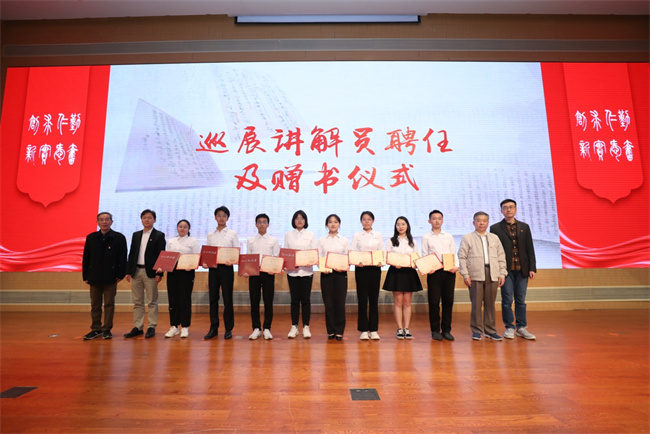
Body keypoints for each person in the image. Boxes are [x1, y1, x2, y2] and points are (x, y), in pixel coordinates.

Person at [490, 199, 537, 340]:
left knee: (520, 300)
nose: (508, 210)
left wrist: (532, 268)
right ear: (501, 211)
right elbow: (494, 251)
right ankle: (509, 327)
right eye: (505, 208)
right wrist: (498, 270)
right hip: (506, 270)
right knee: (507, 299)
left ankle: (521, 327)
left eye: (511, 207)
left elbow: (530, 248)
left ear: (515, 209)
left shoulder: (524, 227)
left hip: (522, 269)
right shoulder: (495, 228)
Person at [458, 211, 507, 341]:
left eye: (484, 221)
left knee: (490, 304)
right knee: (476, 303)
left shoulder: (494, 238)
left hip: (492, 273)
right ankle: (476, 330)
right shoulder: (467, 238)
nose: (481, 223)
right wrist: (465, 275)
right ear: (474, 223)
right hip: (475, 273)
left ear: (488, 223)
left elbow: (501, 256)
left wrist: (502, 273)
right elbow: (462, 257)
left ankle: (490, 330)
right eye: (479, 220)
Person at [82, 212, 128, 340]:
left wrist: (121, 274)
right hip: (94, 276)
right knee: (95, 305)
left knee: (109, 304)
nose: (104, 222)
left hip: (111, 277)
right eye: (101, 220)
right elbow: (86, 257)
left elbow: (123, 258)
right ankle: (95, 329)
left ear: (111, 222)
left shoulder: (119, 237)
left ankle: (107, 329)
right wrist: (85, 275)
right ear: (97, 222)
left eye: (107, 219)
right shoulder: (91, 237)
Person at [124, 209, 166, 339]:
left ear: (154, 220)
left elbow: (162, 254)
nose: (146, 220)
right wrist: (128, 271)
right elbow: (132, 254)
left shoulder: (159, 235)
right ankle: (138, 327)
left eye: (149, 218)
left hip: (151, 272)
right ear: (141, 220)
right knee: (137, 302)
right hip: (136, 271)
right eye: (144, 218)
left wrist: (160, 273)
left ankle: (151, 326)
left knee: (152, 301)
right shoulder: (136, 235)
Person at [421, 210, 459, 341]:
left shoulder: (448, 236)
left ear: (442, 221)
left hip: (449, 271)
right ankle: (435, 330)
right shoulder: (426, 237)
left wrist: (456, 266)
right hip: (434, 272)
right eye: (434, 218)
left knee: (448, 301)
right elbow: (424, 254)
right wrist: (427, 268)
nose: (437, 221)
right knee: (434, 302)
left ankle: (446, 330)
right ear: (429, 221)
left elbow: (453, 252)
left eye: (439, 218)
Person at [382, 216, 423, 340]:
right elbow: (386, 257)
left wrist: (414, 263)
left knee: (407, 301)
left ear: (407, 226)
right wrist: (394, 263)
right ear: (395, 226)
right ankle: (399, 328)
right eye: (398, 224)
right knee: (398, 301)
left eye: (403, 224)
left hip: (409, 272)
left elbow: (416, 258)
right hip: (396, 272)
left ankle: (407, 328)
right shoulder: (391, 241)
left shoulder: (412, 241)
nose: (400, 226)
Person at [205, 206, 240, 340]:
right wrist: (205, 262)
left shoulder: (232, 234)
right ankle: (213, 328)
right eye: (219, 215)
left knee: (227, 299)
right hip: (213, 269)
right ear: (215, 217)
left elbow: (236, 251)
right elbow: (208, 253)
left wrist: (232, 260)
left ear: (227, 218)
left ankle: (228, 329)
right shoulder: (210, 234)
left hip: (227, 269)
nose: (221, 218)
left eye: (224, 216)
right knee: (213, 299)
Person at [245, 213, 280, 340]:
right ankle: (256, 328)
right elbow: (248, 258)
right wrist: (246, 270)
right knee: (254, 302)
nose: (262, 224)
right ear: (256, 224)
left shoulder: (273, 240)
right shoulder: (250, 240)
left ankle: (266, 328)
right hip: (254, 274)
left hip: (268, 274)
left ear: (268, 224)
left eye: (264, 222)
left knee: (268, 302)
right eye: (259, 222)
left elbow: (276, 257)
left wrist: (273, 269)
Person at [283, 210, 317, 339]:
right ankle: (294, 326)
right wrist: (285, 264)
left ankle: (306, 327)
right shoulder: (288, 235)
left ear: (305, 221)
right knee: (294, 301)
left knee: (306, 301)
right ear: (293, 221)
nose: (299, 220)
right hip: (292, 273)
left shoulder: (311, 235)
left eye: (302, 218)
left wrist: (311, 261)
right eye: (297, 218)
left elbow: (314, 253)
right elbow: (286, 253)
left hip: (306, 272)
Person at [164, 219, 200, 339]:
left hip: (187, 272)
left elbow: (196, 257)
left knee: (184, 299)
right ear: (177, 228)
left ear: (188, 229)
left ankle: (185, 327)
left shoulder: (193, 241)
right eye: (180, 226)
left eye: (185, 227)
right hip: (172, 272)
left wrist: (191, 266)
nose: (182, 229)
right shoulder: (171, 241)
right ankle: (174, 326)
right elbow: (167, 257)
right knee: (173, 299)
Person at [351, 211, 383, 340]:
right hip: (361, 270)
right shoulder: (357, 235)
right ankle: (363, 329)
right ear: (361, 221)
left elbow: (381, 251)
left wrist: (380, 261)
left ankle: (374, 329)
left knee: (374, 299)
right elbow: (353, 252)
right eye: (364, 219)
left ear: (373, 221)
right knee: (362, 299)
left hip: (375, 269)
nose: (366, 222)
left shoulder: (378, 235)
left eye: (369, 219)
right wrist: (356, 261)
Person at [318, 214, 350, 341]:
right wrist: (323, 268)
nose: (333, 224)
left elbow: (348, 257)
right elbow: (319, 257)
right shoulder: (322, 240)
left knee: (340, 303)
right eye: (330, 222)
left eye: (335, 222)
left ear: (339, 224)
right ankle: (330, 330)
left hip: (341, 274)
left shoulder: (344, 240)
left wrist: (343, 266)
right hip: (326, 274)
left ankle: (339, 330)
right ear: (327, 224)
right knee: (329, 303)